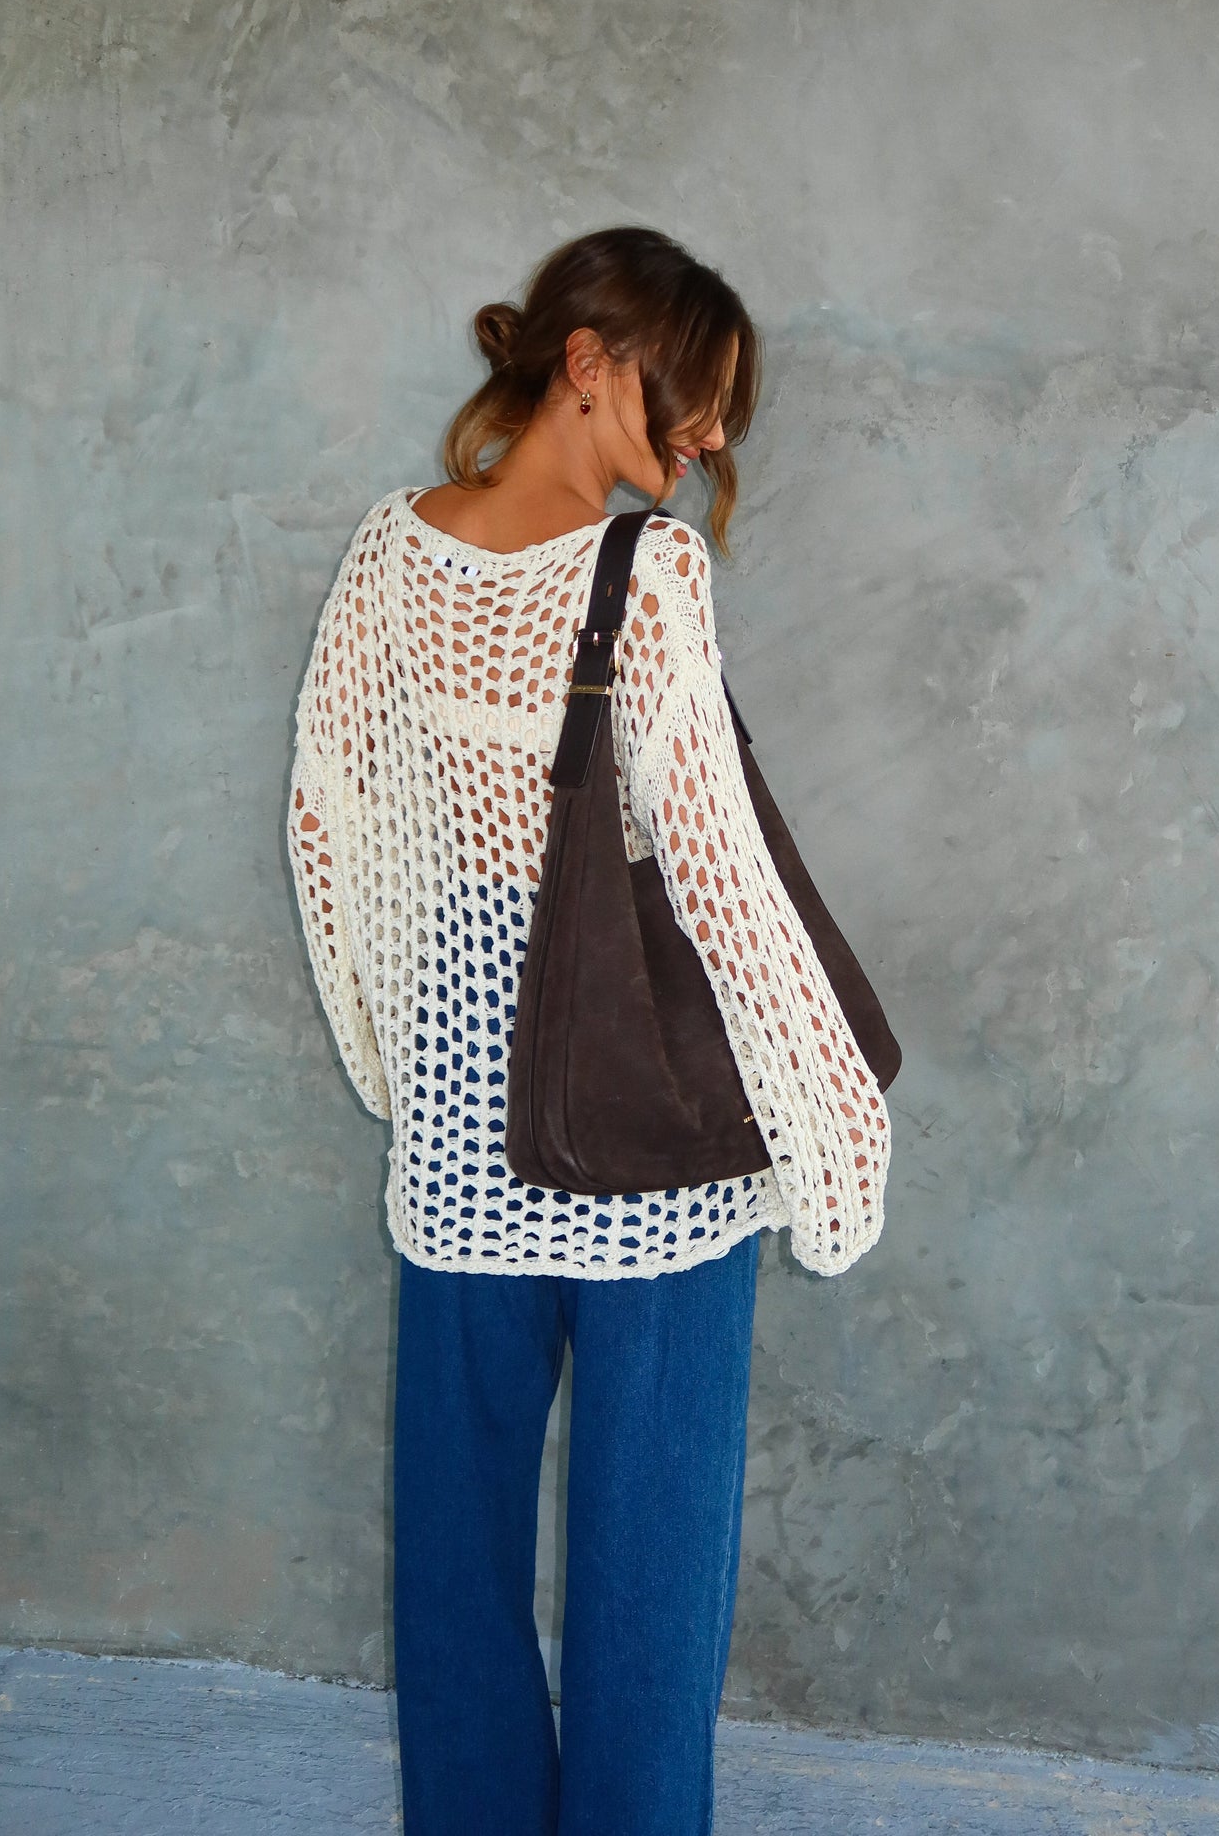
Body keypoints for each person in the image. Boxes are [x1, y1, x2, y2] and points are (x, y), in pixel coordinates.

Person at [285, 226, 892, 1836]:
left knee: (458, 1554)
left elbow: (327, 823)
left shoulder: (390, 553)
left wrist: (400, 1064)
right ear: (586, 361)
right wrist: (833, 1120)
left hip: (460, 1116)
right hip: (648, 1126)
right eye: (689, 393)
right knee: (646, 1577)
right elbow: (715, 873)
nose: (708, 435)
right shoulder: (651, 575)